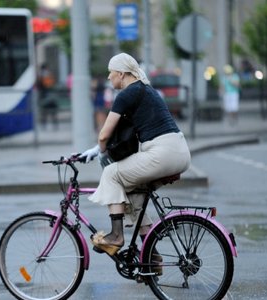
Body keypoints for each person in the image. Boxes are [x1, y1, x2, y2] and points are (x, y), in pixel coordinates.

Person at [79, 53, 191, 256]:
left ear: (121, 74)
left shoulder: (127, 94)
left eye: (110, 73)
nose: (108, 77)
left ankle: (115, 236)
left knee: (112, 174)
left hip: (162, 153)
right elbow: (120, 135)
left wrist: (101, 153)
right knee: (132, 195)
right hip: (179, 151)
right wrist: (96, 151)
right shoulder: (145, 90)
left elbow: (104, 135)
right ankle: (152, 255)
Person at [37, 63, 58, 130]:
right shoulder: (48, 74)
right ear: (46, 68)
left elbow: (38, 85)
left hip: (43, 95)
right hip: (50, 95)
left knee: (44, 112)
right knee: (52, 111)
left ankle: (44, 125)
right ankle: (54, 125)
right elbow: (52, 84)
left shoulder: (40, 75)